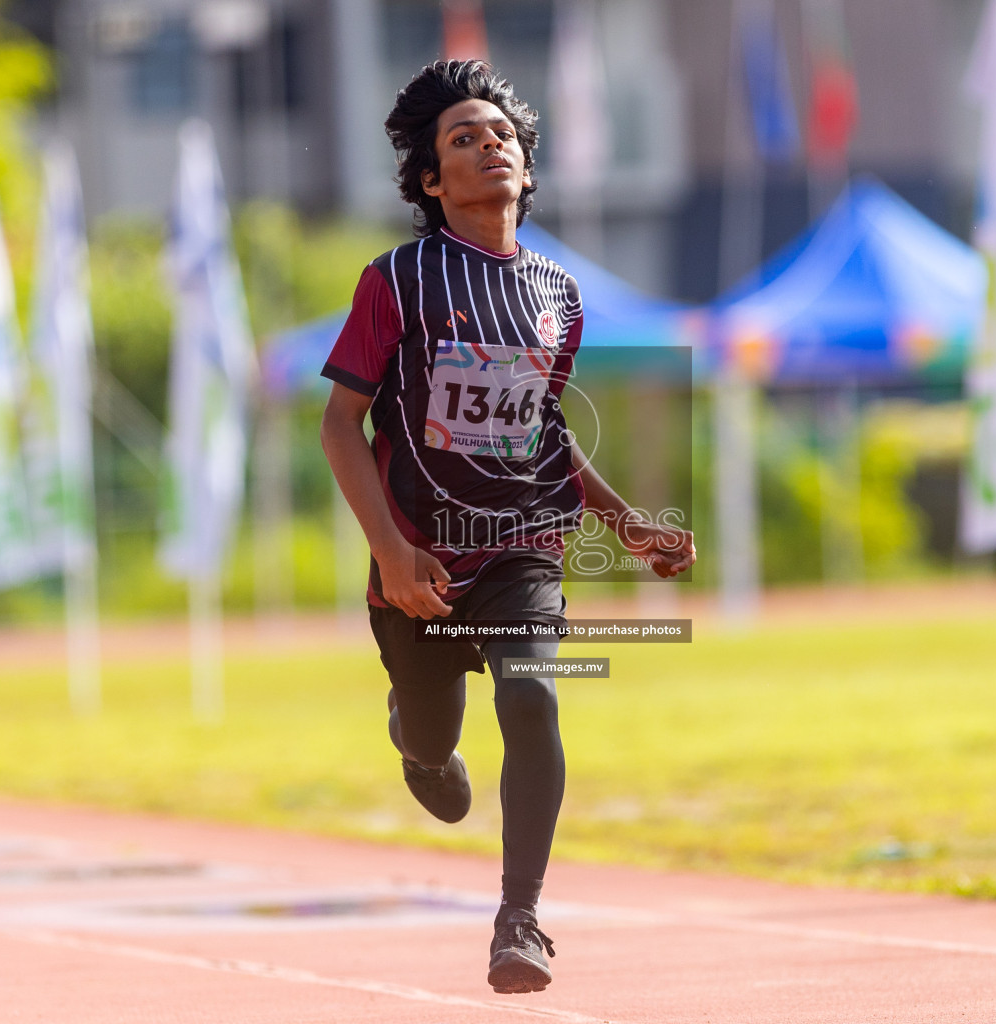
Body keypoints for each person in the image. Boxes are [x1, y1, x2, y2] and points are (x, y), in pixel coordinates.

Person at [319, 58, 696, 995]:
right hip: (418, 558)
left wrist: (629, 527)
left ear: (526, 168)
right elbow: (339, 424)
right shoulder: (396, 281)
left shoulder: (557, 296)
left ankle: (518, 921)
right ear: (432, 181)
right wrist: (392, 552)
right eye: (463, 139)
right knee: (432, 735)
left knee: (532, 699)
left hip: (522, 543)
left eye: (503, 136)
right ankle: (419, 737)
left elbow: (545, 430)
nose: (490, 145)